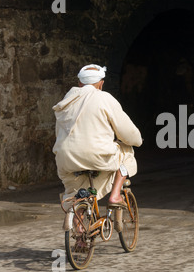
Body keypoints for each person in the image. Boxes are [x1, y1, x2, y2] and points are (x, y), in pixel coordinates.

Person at [52, 64, 143, 208]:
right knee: (127, 153)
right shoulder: (104, 98)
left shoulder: (66, 100)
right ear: (101, 83)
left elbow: (59, 132)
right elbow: (127, 131)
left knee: (75, 190)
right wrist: (137, 140)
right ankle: (115, 196)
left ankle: (78, 218)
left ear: (79, 83)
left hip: (65, 158)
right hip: (96, 156)